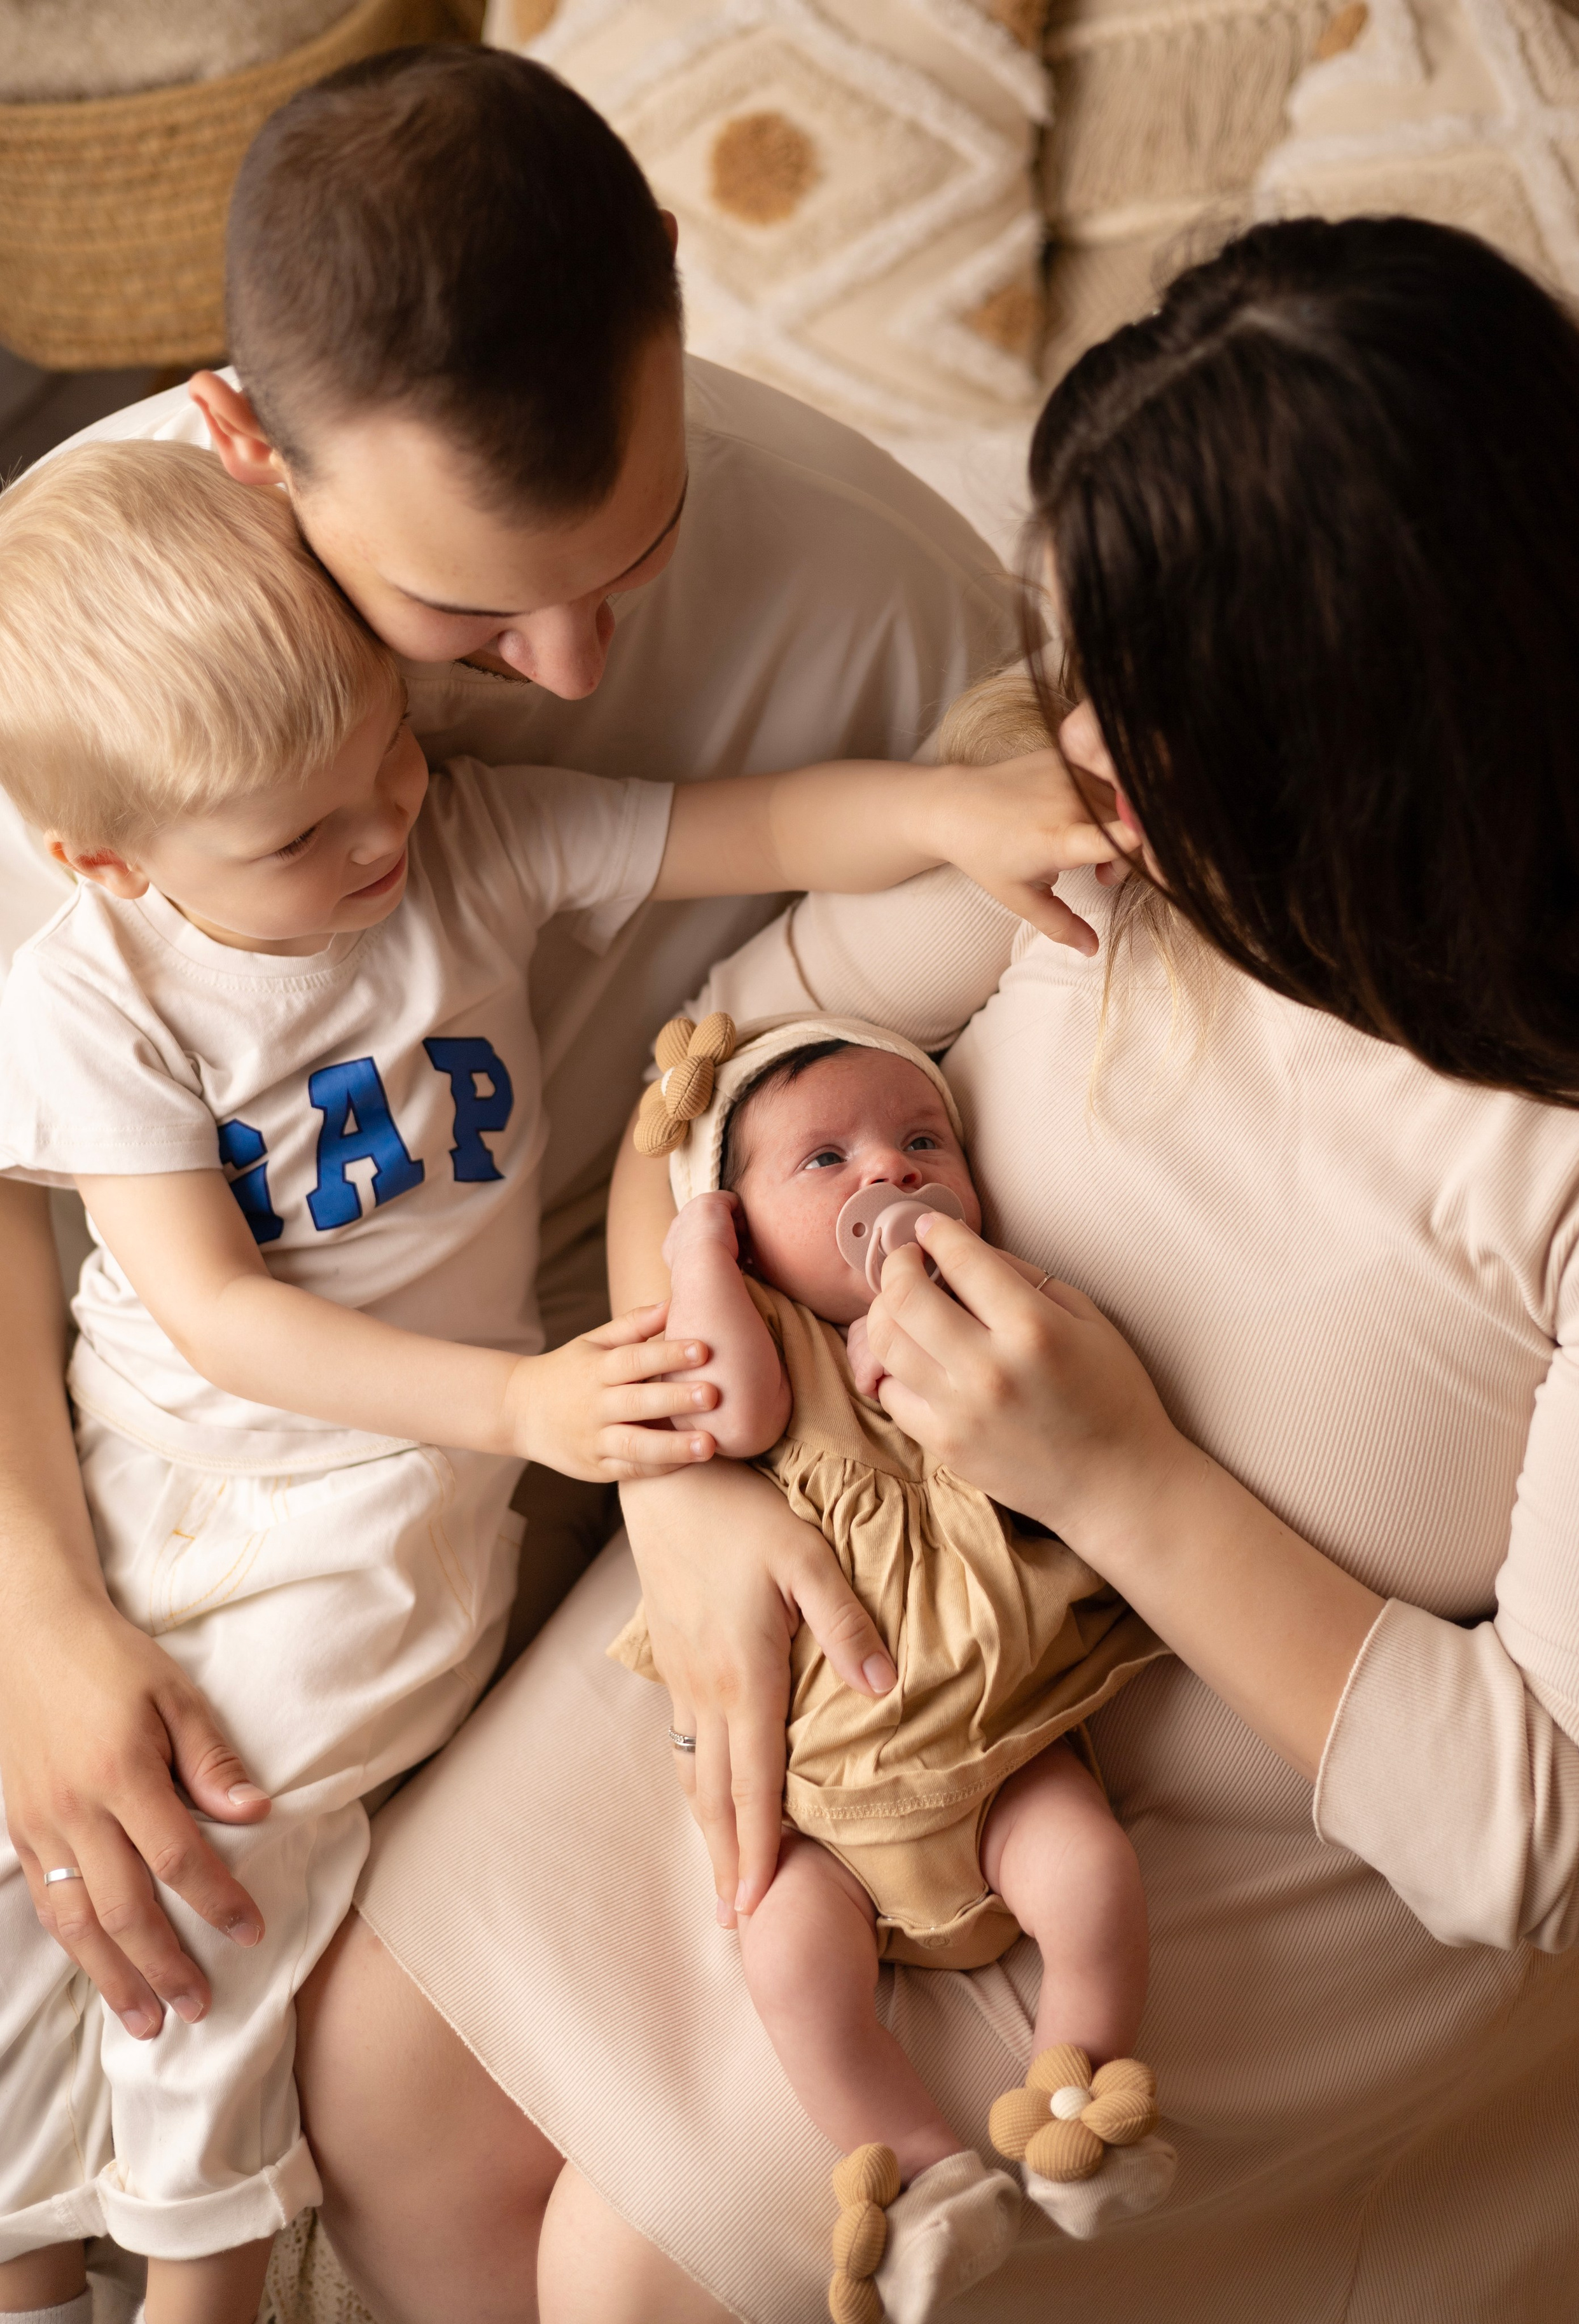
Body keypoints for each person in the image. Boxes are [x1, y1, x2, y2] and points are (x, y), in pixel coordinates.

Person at [282, 214, 1579, 2324]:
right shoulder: (1092, 822)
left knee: (632, 2270)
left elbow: (1564, 1840)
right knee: (373, 2080)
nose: (1075, 744)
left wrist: (1115, 1474)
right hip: (832, 1572)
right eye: (1077, 668)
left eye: (1147, 708)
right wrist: (685, 1491)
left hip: (1250, 1816)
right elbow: (708, 1075)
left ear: (1368, 756)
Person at [0, 45, 1022, 2303]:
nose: (574, 668)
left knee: (312, 2037)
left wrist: (686, 1422)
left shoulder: (888, 604)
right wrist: (38, 1607)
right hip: (166, 1428)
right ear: (249, 447)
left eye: (634, 559)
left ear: (674, 286)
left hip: (634, 1408)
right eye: (463, 625)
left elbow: (946, 1052)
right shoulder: (92, 631)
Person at [616, 1021, 1170, 2321]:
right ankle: (924, 2176)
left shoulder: (982, 1312)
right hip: (824, 1810)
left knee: (1088, 1878)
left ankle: (1075, 2096)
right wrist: (694, 1258)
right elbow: (731, 1417)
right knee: (785, 1957)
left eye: (923, 1142)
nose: (892, 1175)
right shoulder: (764, 1332)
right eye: (824, 1159)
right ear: (737, 1223)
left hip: (997, 1749)